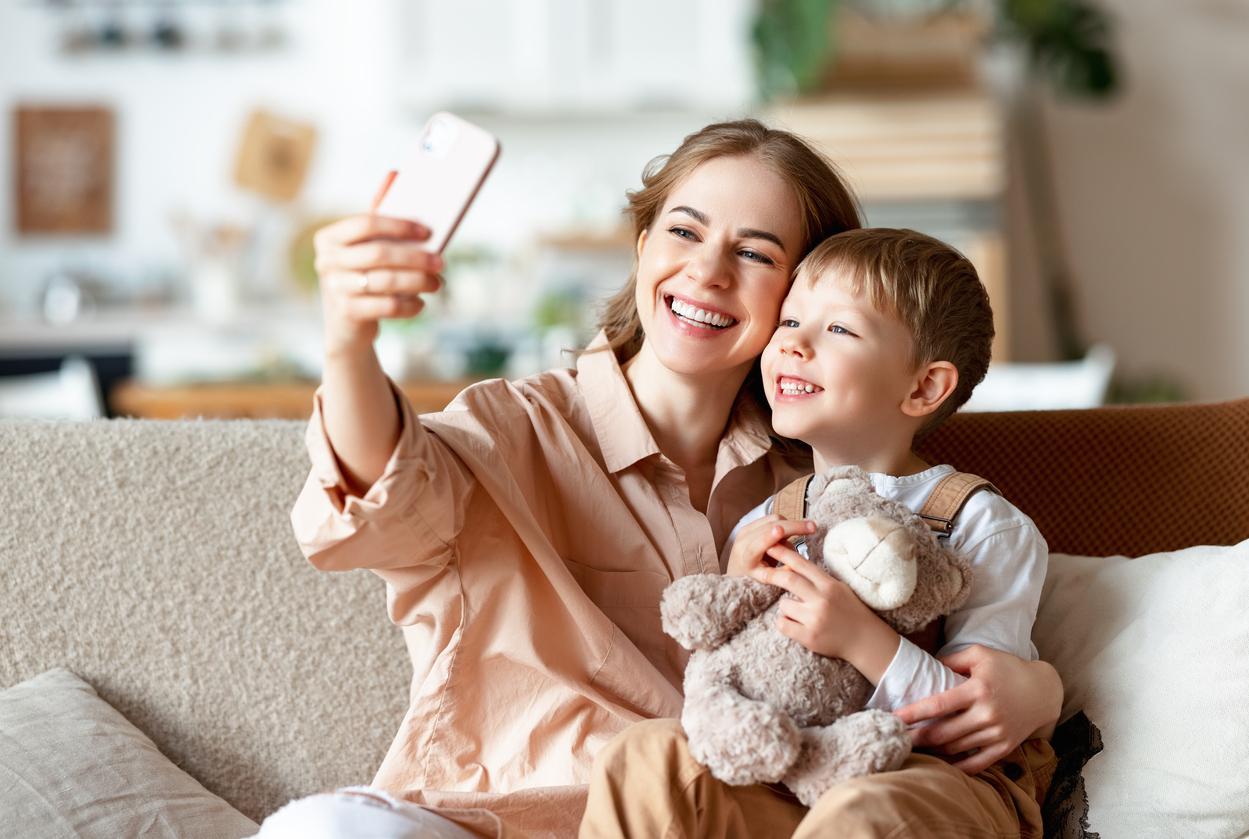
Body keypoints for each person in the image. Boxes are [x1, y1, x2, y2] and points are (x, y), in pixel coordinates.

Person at [259, 121, 1060, 839]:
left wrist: (1037, 687)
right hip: (502, 818)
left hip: (749, 810)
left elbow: (948, 650)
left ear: (806, 288)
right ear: (641, 248)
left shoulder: (816, 477)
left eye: (755, 253)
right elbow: (379, 495)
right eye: (683, 231)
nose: (707, 270)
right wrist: (348, 342)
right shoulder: (515, 427)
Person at [578, 228, 1058, 839]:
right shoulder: (764, 519)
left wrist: (861, 640)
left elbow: (976, 721)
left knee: (861, 815)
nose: (793, 345)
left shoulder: (982, 524)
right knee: (644, 754)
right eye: (789, 321)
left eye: (839, 330)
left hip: (938, 784)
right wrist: (735, 588)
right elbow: (734, 672)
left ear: (923, 387)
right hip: (796, 772)